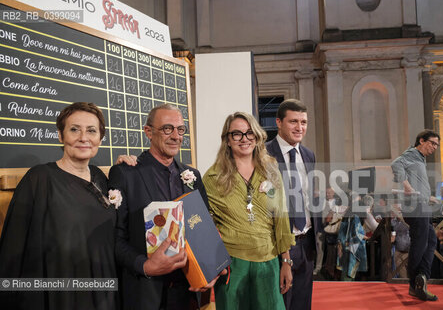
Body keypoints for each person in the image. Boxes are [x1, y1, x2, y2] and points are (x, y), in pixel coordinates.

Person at [0, 102, 118, 310]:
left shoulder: (100, 177)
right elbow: (12, 251)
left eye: (91, 131)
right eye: (74, 129)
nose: (83, 137)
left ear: (100, 138)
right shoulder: (39, 179)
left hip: (104, 291)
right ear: (60, 136)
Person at [109, 104, 216, 310]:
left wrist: (208, 270)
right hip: (145, 291)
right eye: (168, 128)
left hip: (188, 291)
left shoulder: (192, 176)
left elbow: (203, 230)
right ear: (148, 131)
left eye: (180, 129)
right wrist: (145, 266)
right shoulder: (125, 173)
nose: (176, 136)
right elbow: (115, 238)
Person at [202, 112, 294, 310]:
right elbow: (204, 226)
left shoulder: (271, 171)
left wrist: (285, 261)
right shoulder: (212, 177)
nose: (244, 139)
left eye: (249, 133)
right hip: (231, 265)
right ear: (227, 140)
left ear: (257, 136)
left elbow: (282, 218)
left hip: (268, 261)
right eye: (237, 134)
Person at [265, 99, 319, 310]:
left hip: (307, 243)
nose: (300, 127)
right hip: (280, 246)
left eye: (304, 122)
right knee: (280, 303)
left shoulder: (308, 155)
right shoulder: (264, 154)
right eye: (293, 121)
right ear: (279, 122)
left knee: (302, 304)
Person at [391, 129, 440, 301]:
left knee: (431, 240)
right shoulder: (412, 153)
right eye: (432, 143)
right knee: (420, 243)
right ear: (421, 140)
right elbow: (395, 164)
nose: (435, 147)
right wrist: (406, 186)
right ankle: (415, 283)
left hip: (422, 203)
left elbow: (417, 183)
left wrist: (428, 197)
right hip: (415, 206)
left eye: (436, 145)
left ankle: (422, 278)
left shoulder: (420, 159)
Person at [336, 192, 367, 281]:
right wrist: (364, 237)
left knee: (346, 271)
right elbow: (356, 234)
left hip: (344, 245)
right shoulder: (355, 217)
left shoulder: (348, 215)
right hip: (351, 247)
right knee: (349, 272)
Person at [313, 187, 335, 276]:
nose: (327, 194)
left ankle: (328, 268)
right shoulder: (319, 203)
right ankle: (318, 267)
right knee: (320, 250)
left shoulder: (334, 203)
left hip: (330, 230)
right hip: (319, 229)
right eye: (326, 193)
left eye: (329, 192)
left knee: (329, 251)